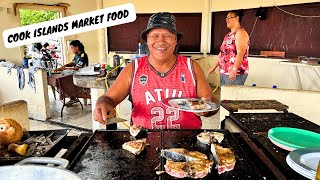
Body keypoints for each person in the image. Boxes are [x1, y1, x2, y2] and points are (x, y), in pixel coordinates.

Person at [93, 12, 218, 129]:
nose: (161, 41)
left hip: (188, 143)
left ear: (175, 40)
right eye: (154, 35)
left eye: (167, 36)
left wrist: (208, 107)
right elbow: (108, 99)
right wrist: (102, 104)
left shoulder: (192, 67)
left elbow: (211, 102)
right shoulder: (133, 68)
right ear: (147, 40)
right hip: (143, 143)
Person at [207, 9, 250, 86]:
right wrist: (213, 67)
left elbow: (240, 53)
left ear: (237, 18)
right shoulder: (228, 35)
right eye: (226, 18)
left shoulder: (240, 33)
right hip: (224, 71)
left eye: (229, 18)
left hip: (235, 73)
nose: (227, 20)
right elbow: (222, 53)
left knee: (232, 96)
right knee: (225, 96)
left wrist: (234, 69)